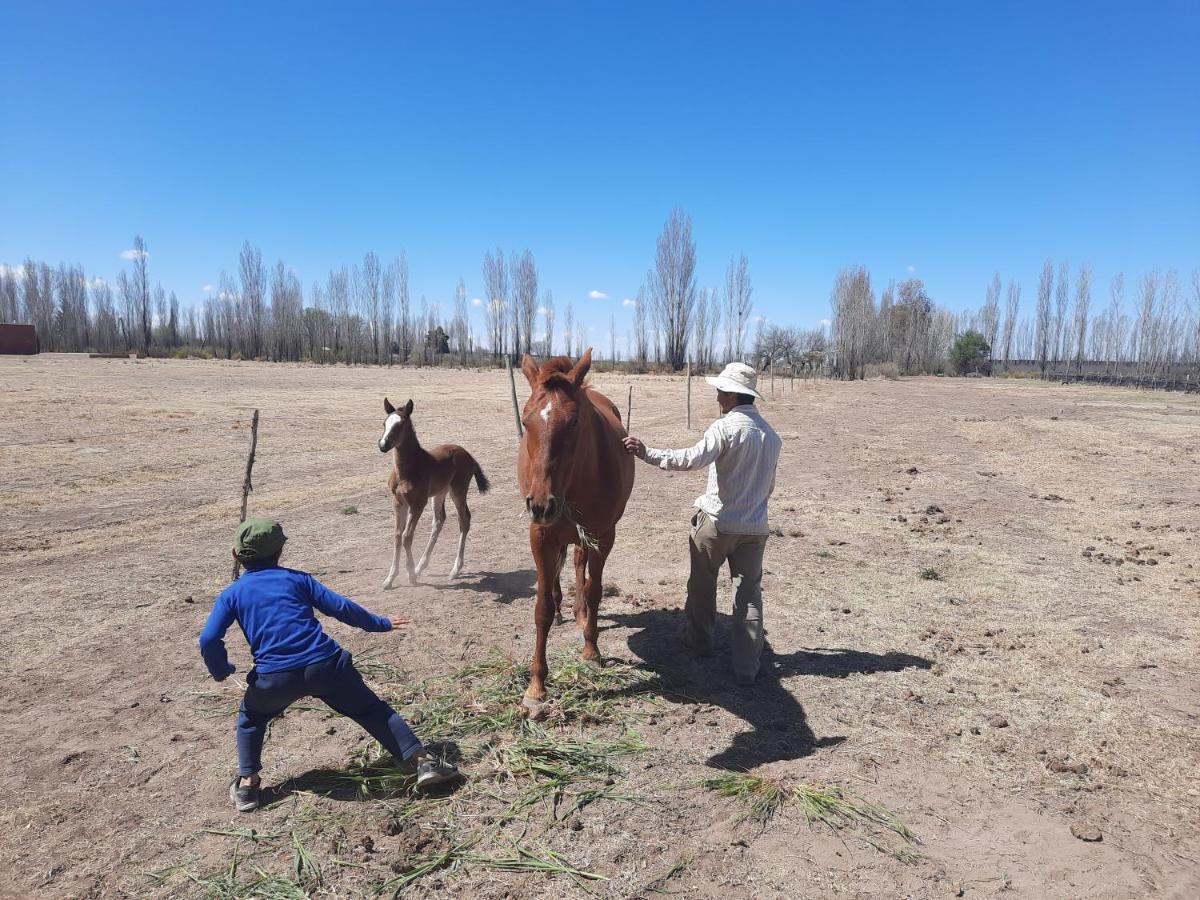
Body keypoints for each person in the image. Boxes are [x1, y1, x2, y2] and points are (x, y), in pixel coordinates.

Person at [199, 517, 457, 812]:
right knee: (372, 710)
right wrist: (381, 624)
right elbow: (342, 608)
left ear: (235, 555)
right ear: (280, 551)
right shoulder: (298, 580)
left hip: (275, 678)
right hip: (326, 666)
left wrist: (221, 670)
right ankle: (423, 762)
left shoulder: (231, 594)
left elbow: (208, 639)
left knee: (251, 719)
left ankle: (247, 786)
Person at [623, 362, 782, 686]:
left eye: (721, 391)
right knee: (749, 595)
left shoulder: (725, 429)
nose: (717, 397)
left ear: (734, 395)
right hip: (755, 528)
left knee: (702, 585)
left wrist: (647, 453)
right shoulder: (772, 437)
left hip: (718, 524)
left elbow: (691, 459)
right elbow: (769, 487)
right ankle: (746, 668)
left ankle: (699, 641)